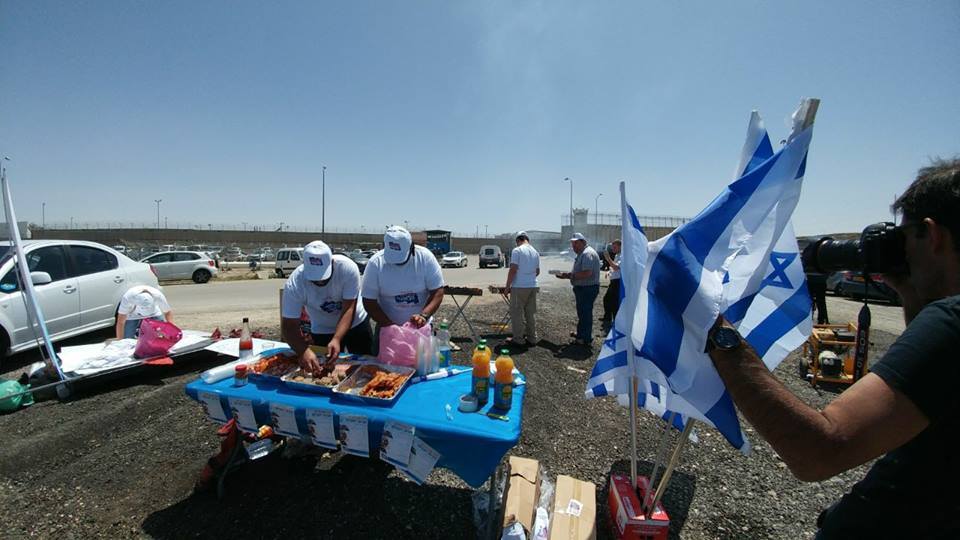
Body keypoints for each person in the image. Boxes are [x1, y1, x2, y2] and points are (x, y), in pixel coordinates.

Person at [706, 158, 960, 538]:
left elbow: (819, 449)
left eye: (904, 238)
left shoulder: (952, 324)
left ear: (933, 234)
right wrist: (909, 286)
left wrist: (716, 331)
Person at [281, 241, 372, 374]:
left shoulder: (347, 268)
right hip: (322, 328)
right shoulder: (295, 283)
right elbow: (288, 325)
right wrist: (303, 350)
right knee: (322, 369)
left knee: (364, 368)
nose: (320, 282)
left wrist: (336, 338)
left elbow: (349, 309)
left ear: (331, 262)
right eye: (314, 278)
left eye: (324, 277)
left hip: (356, 323)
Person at [362, 226, 445, 350]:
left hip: (420, 328)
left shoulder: (425, 258)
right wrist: (390, 326)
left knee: (421, 365)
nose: (397, 263)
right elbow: (369, 301)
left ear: (411, 247)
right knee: (383, 367)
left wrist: (423, 316)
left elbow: (438, 291)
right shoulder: (375, 263)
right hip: (387, 328)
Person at [555, 233, 601, 346]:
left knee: (585, 313)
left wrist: (569, 275)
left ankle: (585, 338)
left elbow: (587, 273)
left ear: (583, 242)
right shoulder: (583, 253)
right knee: (583, 312)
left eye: (576, 243)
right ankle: (581, 334)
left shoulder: (587, 253)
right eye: (572, 244)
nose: (573, 246)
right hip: (584, 288)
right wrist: (568, 275)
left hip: (587, 288)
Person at [504, 231, 540, 347]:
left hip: (519, 287)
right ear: (527, 239)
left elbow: (513, 269)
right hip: (533, 286)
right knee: (530, 313)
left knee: (517, 313)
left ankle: (518, 339)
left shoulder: (517, 250)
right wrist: (529, 278)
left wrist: (507, 286)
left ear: (518, 240)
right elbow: (537, 271)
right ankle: (532, 338)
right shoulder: (535, 252)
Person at [601, 240, 622, 328]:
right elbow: (614, 268)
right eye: (612, 247)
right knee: (607, 299)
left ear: (620, 247)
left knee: (613, 302)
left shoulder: (622, 256)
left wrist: (608, 258)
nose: (613, 249)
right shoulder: (617, 255)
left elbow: (617, 267)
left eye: (615, 247)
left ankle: (614, 321)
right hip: (614, 281)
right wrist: (609, 272)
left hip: (618, 282)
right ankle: (607, 318)